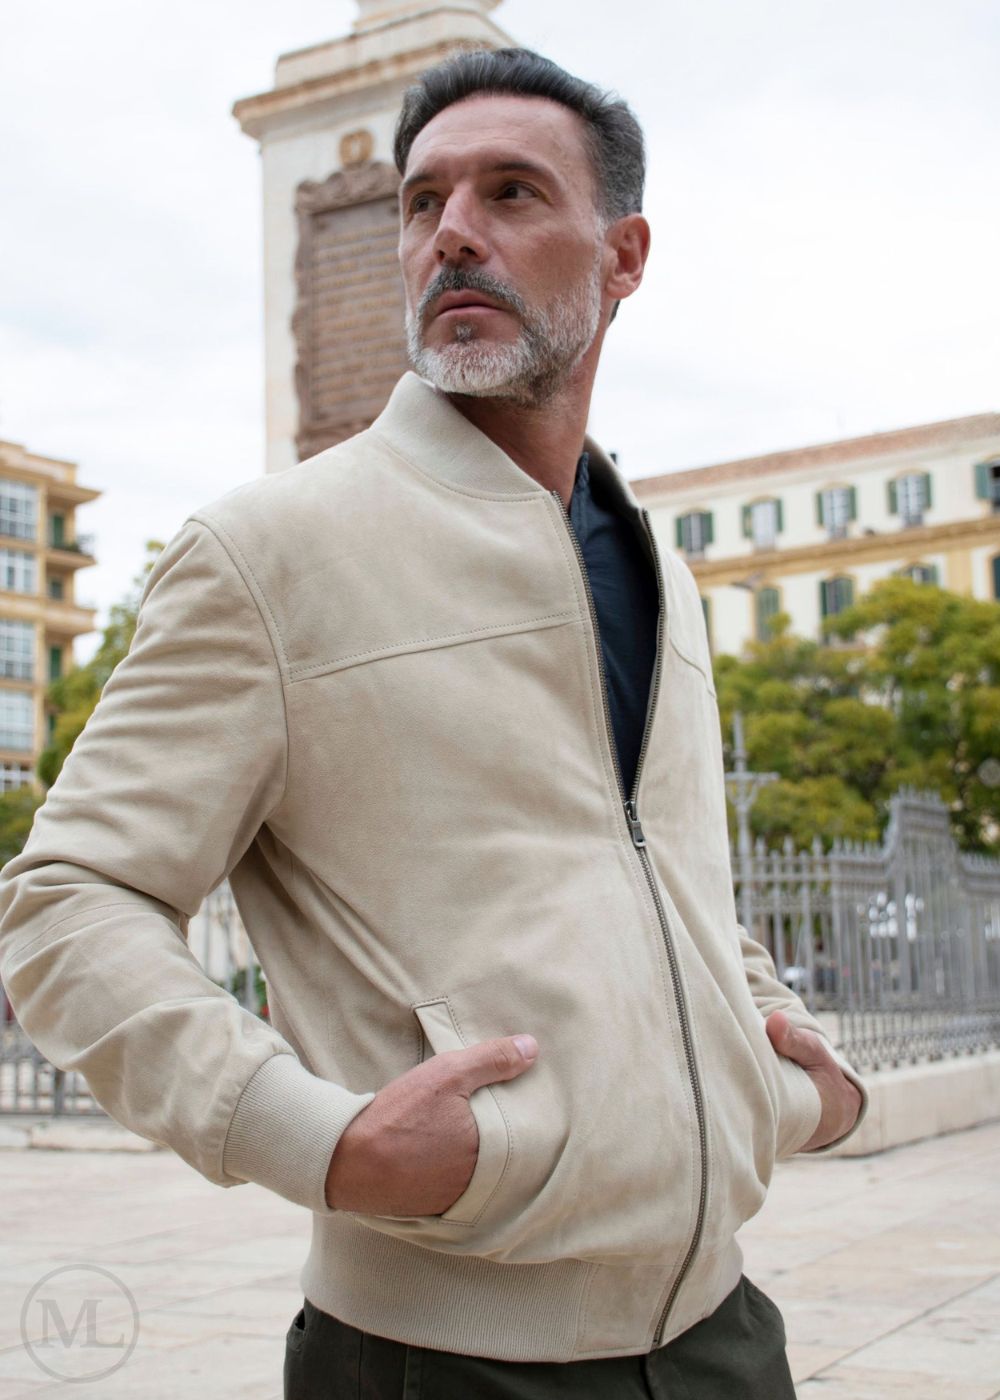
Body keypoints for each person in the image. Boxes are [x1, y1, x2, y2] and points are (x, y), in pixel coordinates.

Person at [0, 46, 865, 1400]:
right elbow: (68, 900)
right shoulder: (265, 553)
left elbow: (662, 869)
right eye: (421, 203)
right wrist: (317, 1138)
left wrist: (777, 1045)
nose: (452, 230)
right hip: (435, 1361)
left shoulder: (664, 576)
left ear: (623, 256)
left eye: (513, 192)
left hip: (725, 1336)